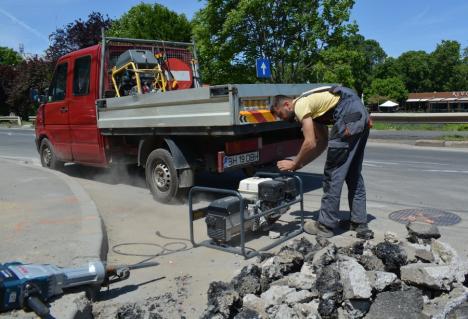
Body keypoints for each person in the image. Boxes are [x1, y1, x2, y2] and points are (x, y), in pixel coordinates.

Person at [271, 86, 373, 239]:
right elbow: (321, 143)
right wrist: (300, 164)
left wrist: (293, 163)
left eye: (280, 114)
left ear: (287, 105)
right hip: (359, 117)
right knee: (353, 174)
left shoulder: (300, 104)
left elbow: (309, 142)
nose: (282, 118)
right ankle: (359, 223)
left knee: (332, 177)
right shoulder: (315, 110)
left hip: (349, 118)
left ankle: (325, 226)